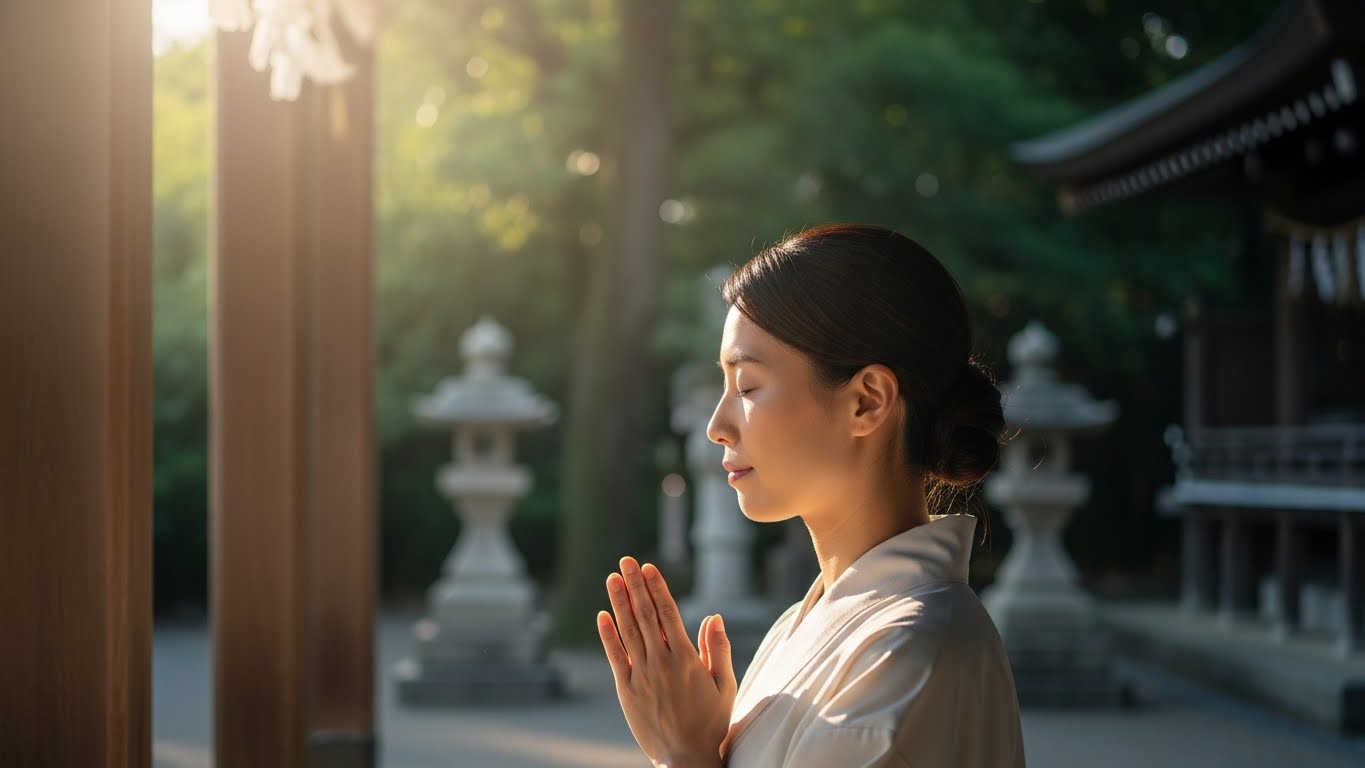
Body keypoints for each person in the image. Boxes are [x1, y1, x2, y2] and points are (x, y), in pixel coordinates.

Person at [596, 223, 1026, 767]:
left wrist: (686, 753)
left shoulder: (909, 649)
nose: (717, 426)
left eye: (747, 386)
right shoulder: (806, 625)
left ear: (867, 401)